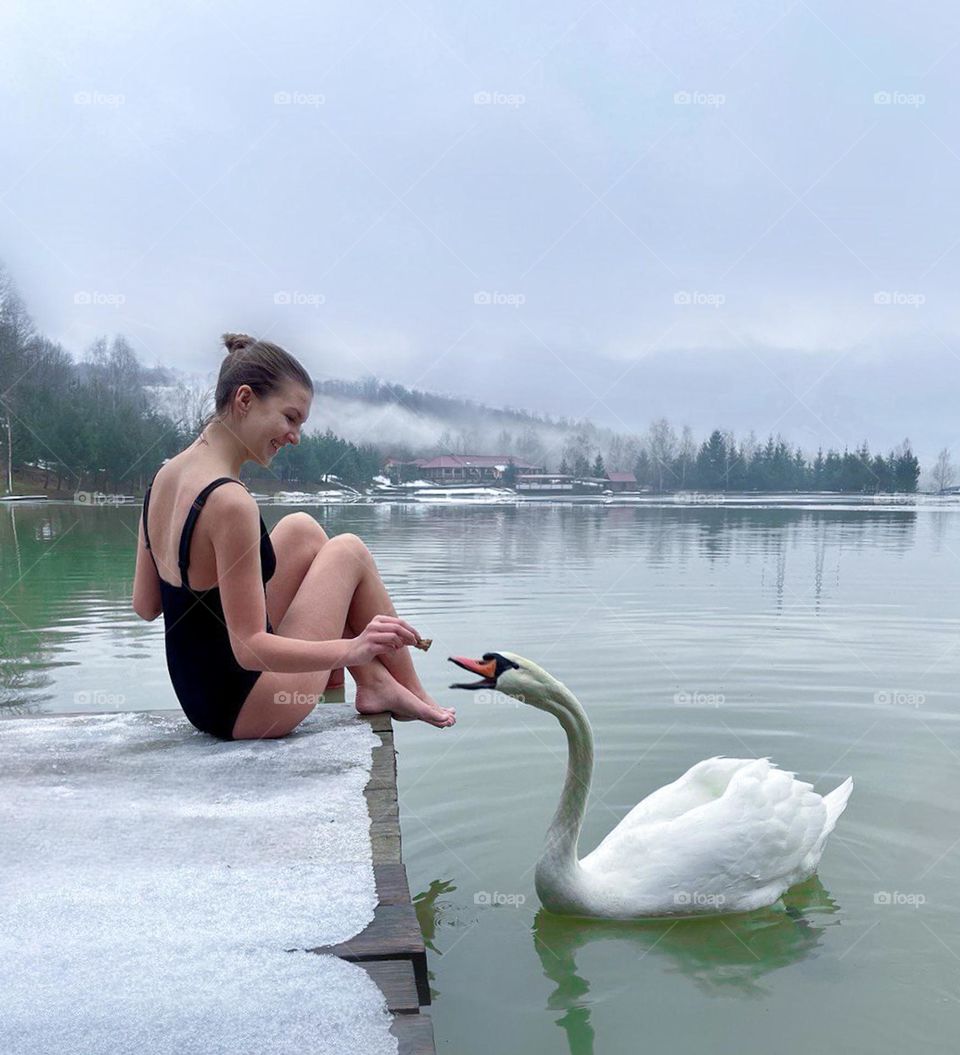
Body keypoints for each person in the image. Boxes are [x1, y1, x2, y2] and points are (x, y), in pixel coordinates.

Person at [131, 332, 456, 740]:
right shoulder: (230, 502)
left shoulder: (163, 477)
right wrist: (352, 648)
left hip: (199, 700)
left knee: (302, 529)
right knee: (348, 551)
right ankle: (411, 691)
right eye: (290, 418)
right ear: (245, 399)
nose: (295, 436)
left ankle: (374, 683)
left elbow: (145, 605)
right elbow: (249, 649)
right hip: (249, 707)